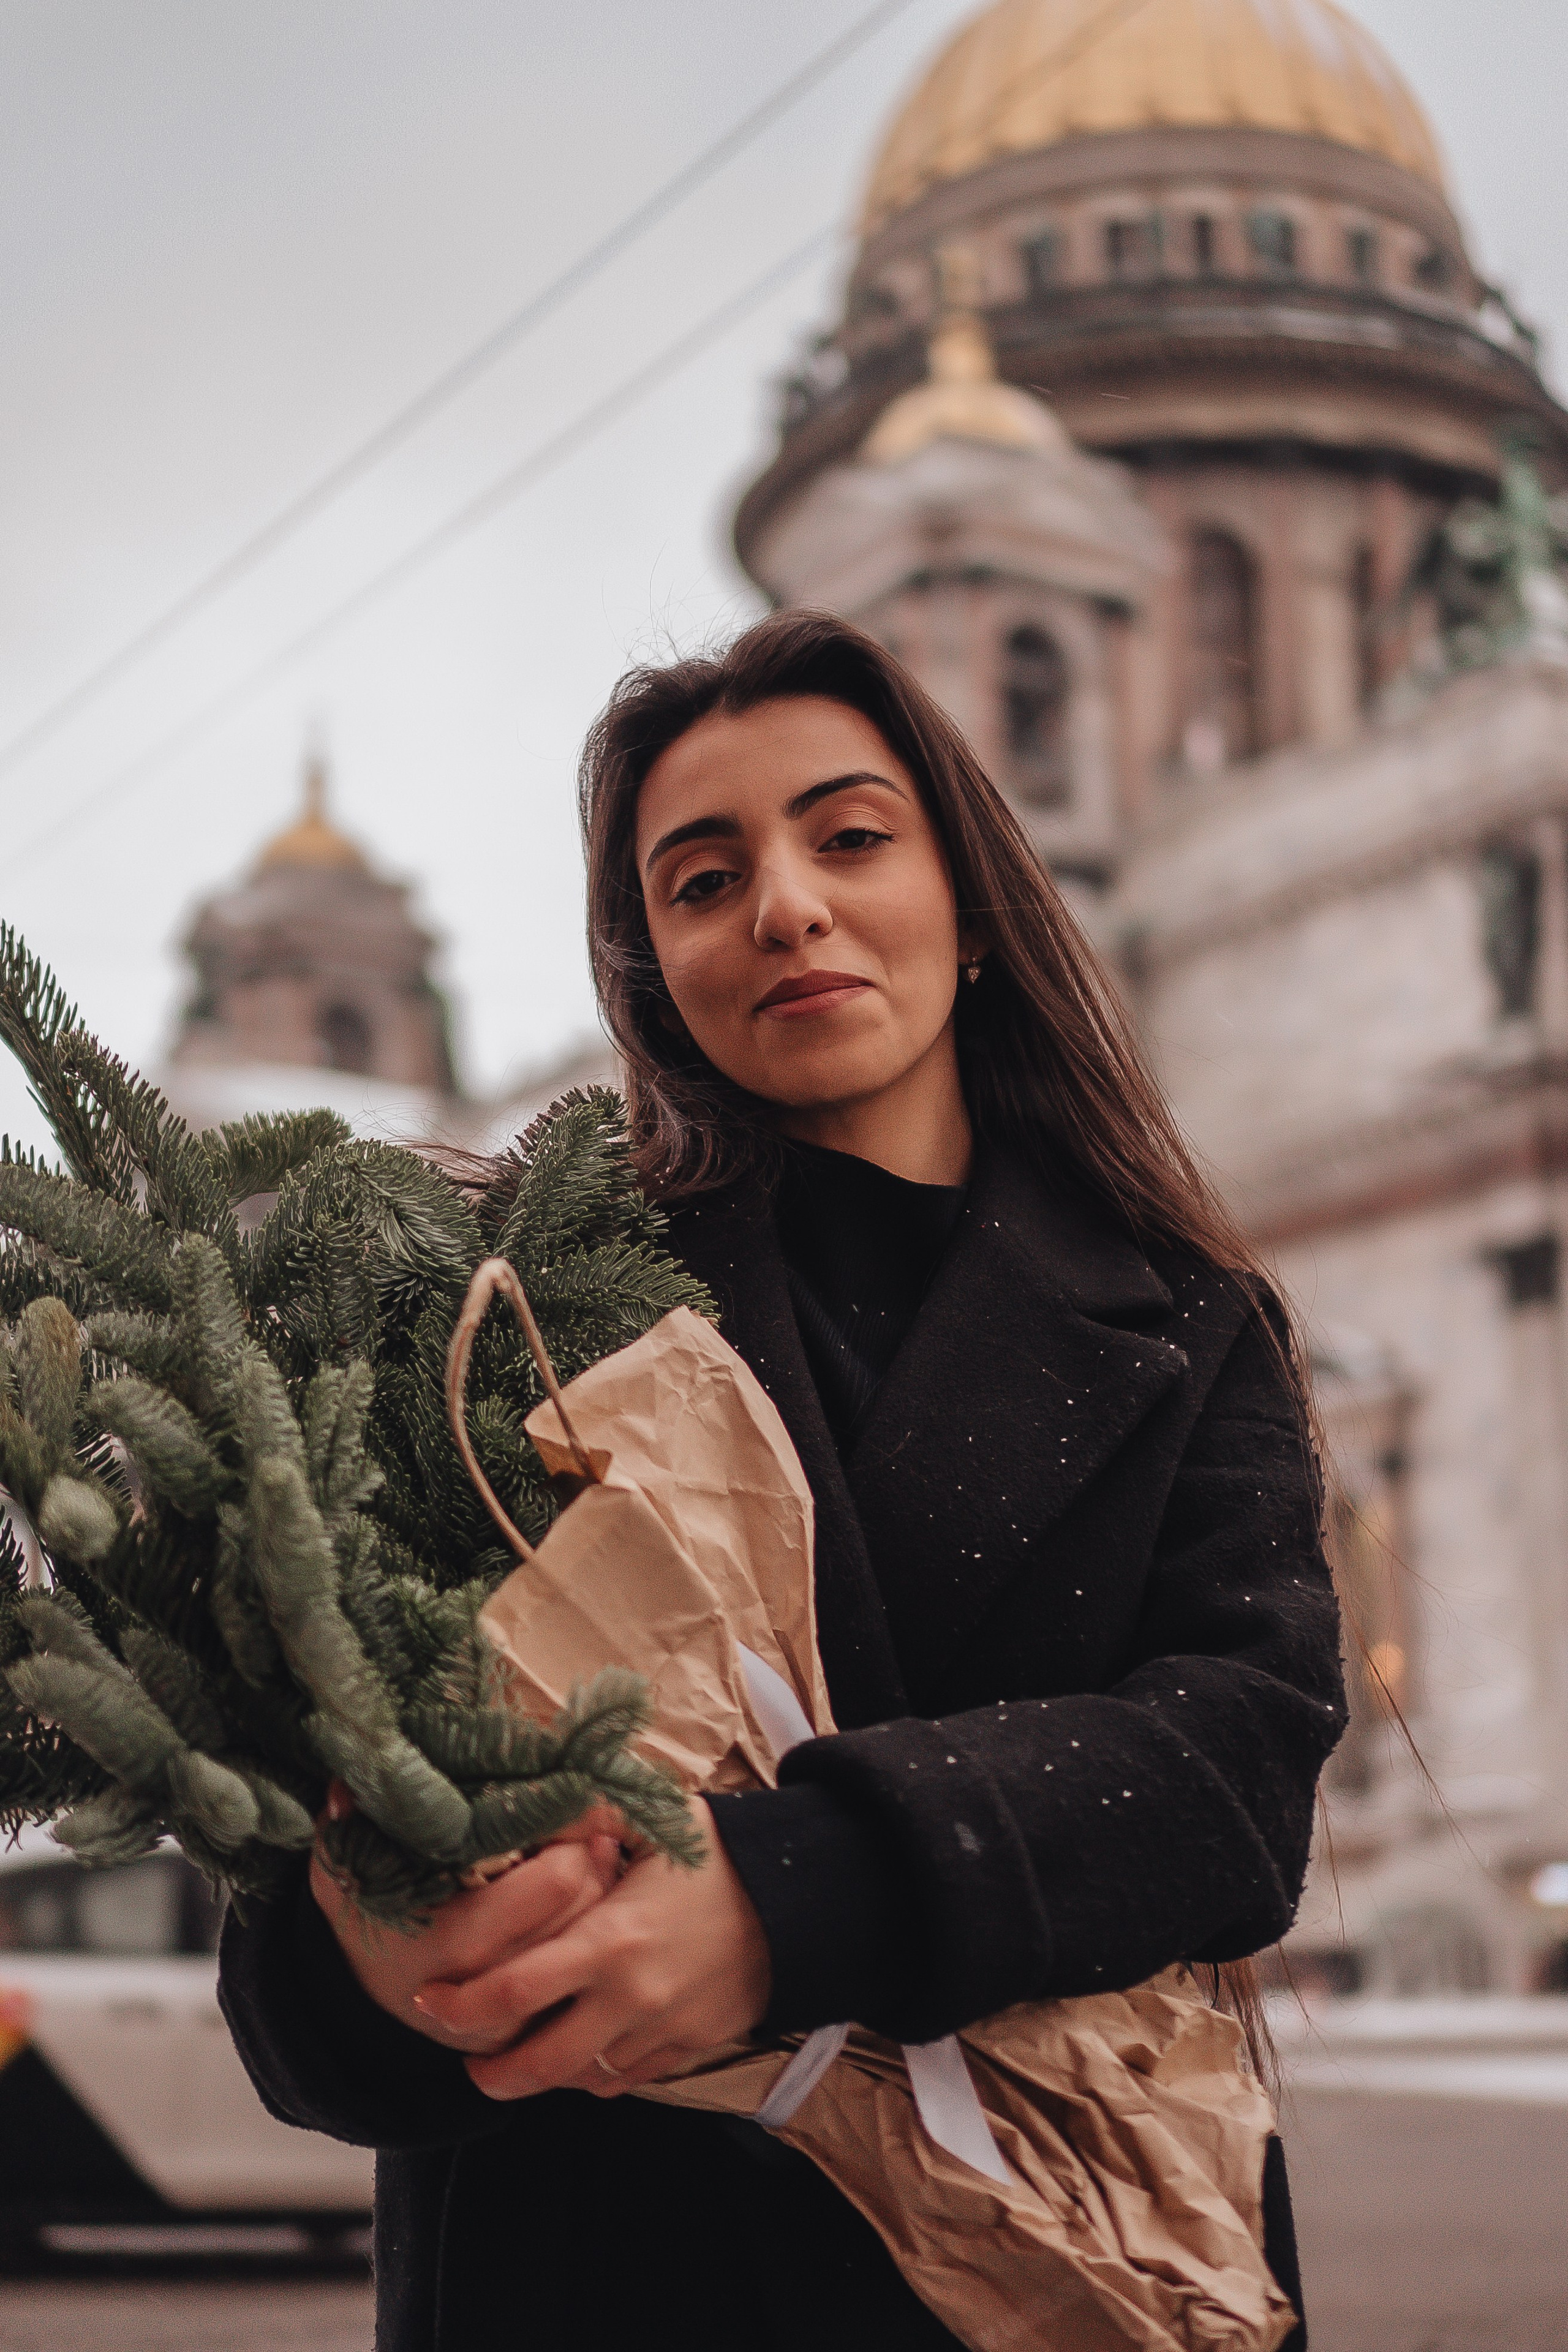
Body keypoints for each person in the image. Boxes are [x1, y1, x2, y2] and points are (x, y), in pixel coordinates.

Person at [220, 611, 1343, 2351]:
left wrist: (786, 1898)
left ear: (972, 902)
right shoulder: (499, 1314)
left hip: (1054, 2272)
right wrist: (389, 1950)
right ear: (653, 971)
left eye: (851, 837)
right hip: (594, 2275)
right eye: (701, 878)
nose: (786, 906)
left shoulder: (1185, 1320)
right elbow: (299, 1972)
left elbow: (1236, 1766)